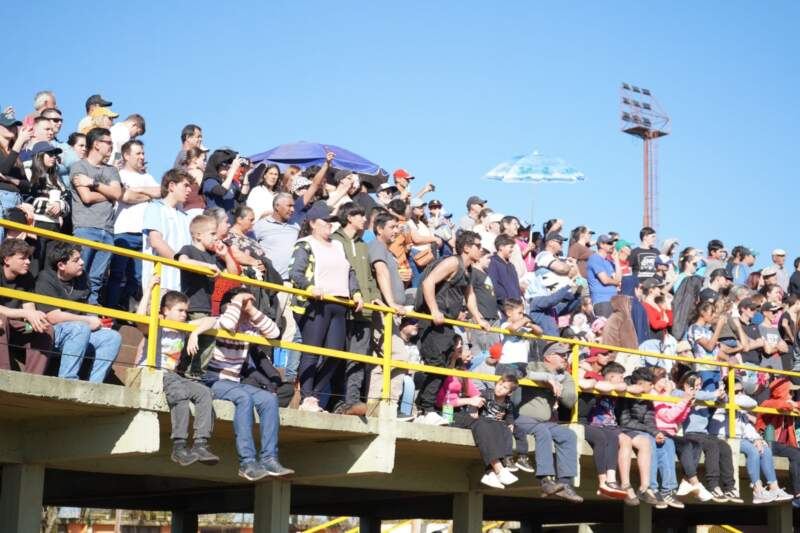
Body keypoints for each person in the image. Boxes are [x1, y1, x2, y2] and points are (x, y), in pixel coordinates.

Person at [203, 287, 294, 481]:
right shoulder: (220, 323)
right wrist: (238, 301)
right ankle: (247, 463)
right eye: (242, 307)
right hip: (214, 379)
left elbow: (274, 332)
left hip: (234, 382)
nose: (245, 311)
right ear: (231, 307)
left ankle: (269, 458)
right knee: (243, 398)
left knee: (269, 400)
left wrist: (252, 310)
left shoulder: (247, 330)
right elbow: (227, 322)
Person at [135, 276, 220, 466]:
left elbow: (212, 320)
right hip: (154, 372)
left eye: (186, 311)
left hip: (172, 375)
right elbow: (140, 319)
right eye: (180, 310)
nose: (184, 314)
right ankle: (179, 447)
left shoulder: (182, 327)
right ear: (165, 310)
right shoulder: (157, 324)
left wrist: (195, 333)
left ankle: (201, 444)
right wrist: (149, 289)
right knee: (180, 394)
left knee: (205, 392)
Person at [289, 202, 364, 412]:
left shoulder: (338, 245)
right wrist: (309, 287)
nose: (330, 225)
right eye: (326, 221)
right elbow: (295, 272)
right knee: (311, 351)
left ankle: (313, 394)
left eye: (332, 221)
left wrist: (356, 292)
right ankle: (307, 397)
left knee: (336, 353)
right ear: (313, 223)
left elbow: (349, 272)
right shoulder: (305, 244)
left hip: (339, 303)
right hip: (317, 304)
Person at [413, 230, 490, 424]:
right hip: (433, 321)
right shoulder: (452, 262)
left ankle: (427, 407)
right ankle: (425, 409)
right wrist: (433, 310)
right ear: (466, 247)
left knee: (446, 364)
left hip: (447, 323)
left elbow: (469, 295)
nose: (481, 250)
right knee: (437, 364)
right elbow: (428, 282)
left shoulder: (469, 269)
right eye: (478, 246)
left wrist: (479, 318)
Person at [35, 242, 121, 382]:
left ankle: (94, 386)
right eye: (76, 260)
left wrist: (96, 320)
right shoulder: (46, 279)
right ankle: (68, 381)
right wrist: (87, 321)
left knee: (112, 337)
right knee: (79, 328)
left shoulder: (82, 278)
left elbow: (85, 310)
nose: (82, 262)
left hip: (79, 334)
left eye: (80, 258)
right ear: (61, 265)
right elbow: (53, 316)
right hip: (51, 334)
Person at [514, 343, 583, 502]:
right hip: (523, 419)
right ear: (548, 357)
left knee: (568, 435)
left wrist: (561, 381)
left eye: (566, 355)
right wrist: (548, 378)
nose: (565, 358)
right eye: (561, 355)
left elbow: (570, 401)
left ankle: (564, 484)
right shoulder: (536, 365)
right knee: (542, 432)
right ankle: (546, 481)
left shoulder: (565, 375)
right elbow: (526, 374)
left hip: (545, 422)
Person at [331, 202, 382, 415]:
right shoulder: (334, 241)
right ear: (350, 217)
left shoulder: (363, 245)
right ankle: (329, 400)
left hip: (364, 311)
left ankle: (351, 401)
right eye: (361, 216)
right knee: (334, 356)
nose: (364, 220)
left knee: (358, 357)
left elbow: (369, 278)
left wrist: (376, 297)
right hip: (341, 307)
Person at [439, 370, 520, 489]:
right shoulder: (486, 394)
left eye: (504, 387)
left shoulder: (507, 403)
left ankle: (494, 470)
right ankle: (498, 469)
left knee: (503, 427)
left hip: (484, 420)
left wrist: (510, 423)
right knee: (485, 424)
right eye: (499, 384)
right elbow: (468, 403)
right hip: (464, 417)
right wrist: (472, 407)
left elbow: (509, 415)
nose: (499, 388)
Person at [69, 127, 123, 304]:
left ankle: (91, 310)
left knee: (96, 279)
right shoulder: (79, 166)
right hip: (85, 228)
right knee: (78, 273)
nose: (111, 146)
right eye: (108, 142)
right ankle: (75, 310)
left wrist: (93, 183)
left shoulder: (111, 170)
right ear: (97, 144)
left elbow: (117, 193)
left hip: (107, 232)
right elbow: (87, 197)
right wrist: (109, 193)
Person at [176, 215, 235, 371]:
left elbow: (234, 274)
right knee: (197, 342)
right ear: (198, 235)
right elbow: (182, 261)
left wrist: (225, 255)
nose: (216, 238)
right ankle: (188, 372)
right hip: (193, 305)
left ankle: (194, 374)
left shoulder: (212, 257)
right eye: (212, 234)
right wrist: (207, 267)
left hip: (207, 308)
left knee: (206, 343)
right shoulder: (188, 249)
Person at [108, 140, 160, 310]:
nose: (142, 157)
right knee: (117, 273)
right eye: (138, 153)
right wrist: (147, 194)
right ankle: (111, 309)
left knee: (137, 278)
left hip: (144, 234)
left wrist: (137, 190)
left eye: (143, 153)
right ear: (126, 155)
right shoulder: (119, 175)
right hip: (123, 231)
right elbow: (125, 197)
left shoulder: (147, 177)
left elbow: (160, 192)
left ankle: (126, 309)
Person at [0, 239, 53, 374]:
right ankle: (4, 376)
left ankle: (33, 380)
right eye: (22, 258)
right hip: (2, 323)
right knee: (1, 319)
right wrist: (25, 314)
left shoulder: (27, 277)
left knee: (45, 329)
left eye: (28, 258)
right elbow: (24, 313)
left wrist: (35, 319)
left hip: (17, 327)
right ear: (6, 260)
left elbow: (29, 310)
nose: (28, 262)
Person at [617, 367, 665, 507]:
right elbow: (624, 421)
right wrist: (649, 430)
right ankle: (625, 484)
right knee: (628, 441)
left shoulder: (647, 397)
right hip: (620, 428)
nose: (652, 386)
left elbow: (649, 421)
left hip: (632, 430)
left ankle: (644, 487)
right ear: (639, 383)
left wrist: (656, 432)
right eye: (649, 384)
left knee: (645, 442)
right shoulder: (625, 391)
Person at [141, 169, 193, 294]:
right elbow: (156, 241)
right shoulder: (154, 208)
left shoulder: (186, 217)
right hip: (159, 283)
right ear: (171, 186)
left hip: (182, 287)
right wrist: (180, 260)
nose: (189, 190)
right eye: (185, 185)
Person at [756, 377, 800, 506]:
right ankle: (798, 494)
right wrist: (791, 405)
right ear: (781, 392)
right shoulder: (768, 403)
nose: (792, 395)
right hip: (766, 443)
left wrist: (794, 405)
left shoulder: (792, 406)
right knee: (797, 454)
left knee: (796, 453)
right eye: (790, 392)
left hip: (783, 445)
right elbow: (781, 405)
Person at [27, 141, 69, 273]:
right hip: (35, 225)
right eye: (50, 154)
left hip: (55, 227)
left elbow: (68, 203)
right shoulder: (29, 172)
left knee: (49, 270)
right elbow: (26, 199)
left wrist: (60, 206)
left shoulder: (56, 178)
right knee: (34, 267)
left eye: (55, 154)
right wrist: (49, 206)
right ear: (39, 155)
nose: (54, 157)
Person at [369, 212, 406, 314]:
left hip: (395, 311)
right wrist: (391, 303)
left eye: (397, 227)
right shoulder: (377, 245)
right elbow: (381, 271)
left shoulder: (389, 252)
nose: (396, 231)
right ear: (380, 229)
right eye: (392, 227)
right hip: (385, 311)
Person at [288, 152, 334, 225]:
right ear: (297, 192)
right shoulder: (296, 205)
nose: (310, 190)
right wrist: (326, 164)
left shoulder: (312, 206)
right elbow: (315, 184)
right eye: (306, 187)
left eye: (309, 187)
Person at [586, 234, 622, 318]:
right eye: (609, 243)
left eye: (613, 243)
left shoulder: (609, 261)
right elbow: (605, 280)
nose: (612, 245)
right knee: (605, 330)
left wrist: (616, 259)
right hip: (602, 302)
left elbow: (619, 278)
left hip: (613, 301)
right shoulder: (594, 258)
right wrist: (616, 282)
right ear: (601, 245)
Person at [487, 235, 521, 307]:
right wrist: (506, 303)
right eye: (510, 247)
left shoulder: (511, 266)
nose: (512, 250)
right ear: (501, 247)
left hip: (516, 307)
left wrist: (518, 302)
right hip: (503, 307)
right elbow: (494, 285)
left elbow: (516, 286)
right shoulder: (493, 262)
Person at [180, 146, 208, 217]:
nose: (205, 163)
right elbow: (205, 192)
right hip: (199, 210)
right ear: (195, 160)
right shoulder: (197, 172)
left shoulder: (183, 173)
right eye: (203, 160)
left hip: (186, 211)